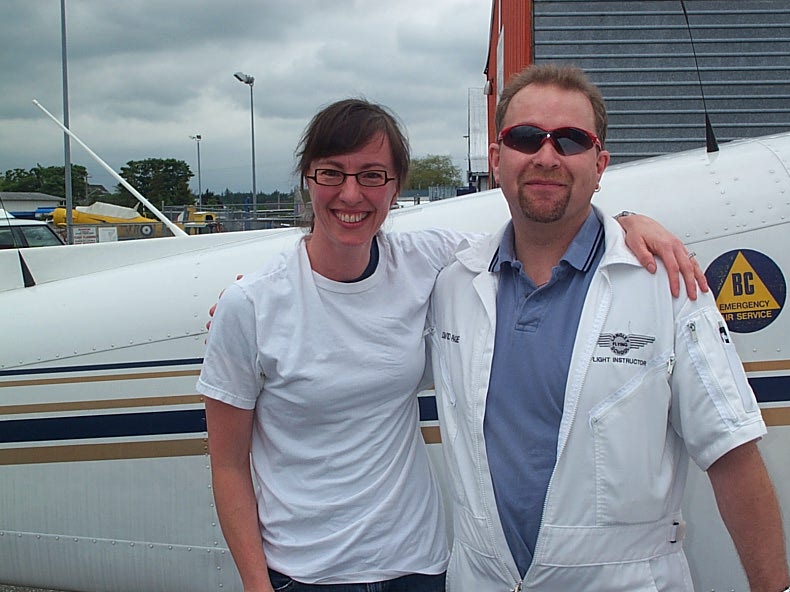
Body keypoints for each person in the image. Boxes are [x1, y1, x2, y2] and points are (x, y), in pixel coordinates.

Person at [198, 98, 705, 592]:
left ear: (395, 187)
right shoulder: (253, 304)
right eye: (332, 172)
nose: (351, 194)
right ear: (308, 178)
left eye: (373, 175)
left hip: (417, 565)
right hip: (305, 572)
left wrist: (628, 222)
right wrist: (255, 583)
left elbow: (543, 230)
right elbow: (227, 464)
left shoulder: (430, 260)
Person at [426, 64, 790, 591]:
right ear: (496, 159)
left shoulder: (667, 287)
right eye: (525, 138)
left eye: (571, 141)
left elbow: (731, 453)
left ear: (599, 166)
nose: (547, 156)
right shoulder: (452, 285)